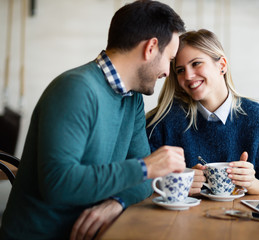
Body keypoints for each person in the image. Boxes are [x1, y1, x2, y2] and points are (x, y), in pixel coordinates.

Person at [0, 1, 186, 239]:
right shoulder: (75, 88)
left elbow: (143, 180)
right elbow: (59, 185)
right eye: (169, 60)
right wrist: (146, 167)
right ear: (150, 48)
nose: (168, 73)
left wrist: (118, 201)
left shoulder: (133, 100)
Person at [146, 29, 259, 197]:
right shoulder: (164, 121)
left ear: (222, 65)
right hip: (182, 220)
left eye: (196, 63)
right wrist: (176, 183)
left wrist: (251, 183)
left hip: (240, 219)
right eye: (180, 70)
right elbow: (142, 182)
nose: (188, 76)